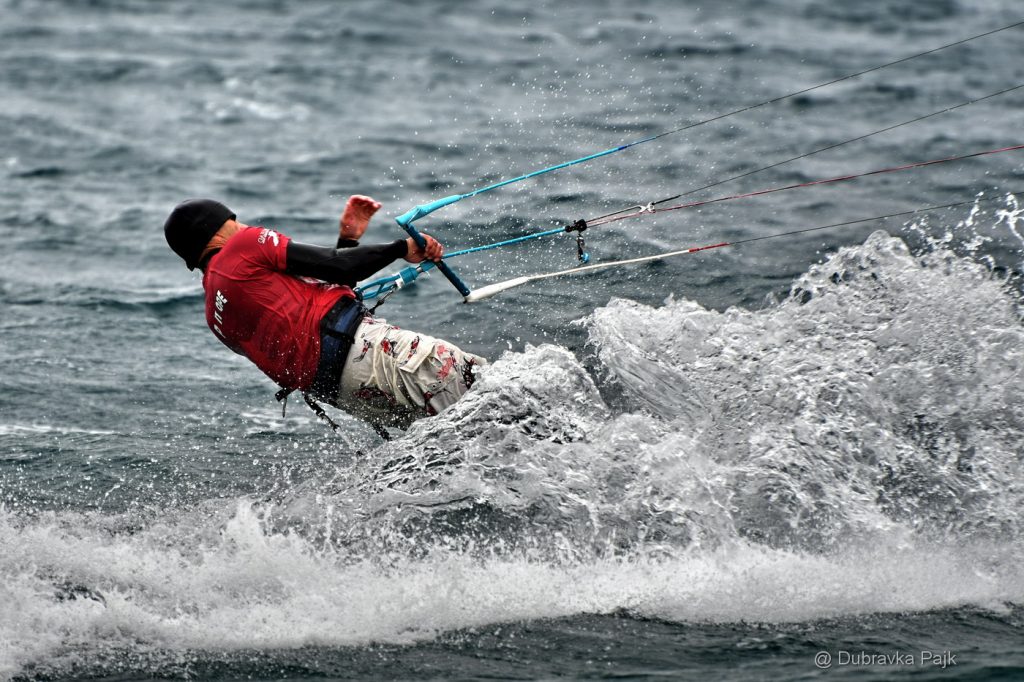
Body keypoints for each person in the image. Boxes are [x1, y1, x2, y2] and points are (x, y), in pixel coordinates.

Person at [164, 195, 486, 435]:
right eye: (234, 220)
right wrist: (400, 249)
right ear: (216, 229)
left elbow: (312, 314)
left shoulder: (215, 314)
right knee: (488, 394)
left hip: (351, 395)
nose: (242, 225)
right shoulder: (243, 246)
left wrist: (349, 240)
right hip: (375, 356)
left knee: (457, 433)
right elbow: (339, 267)